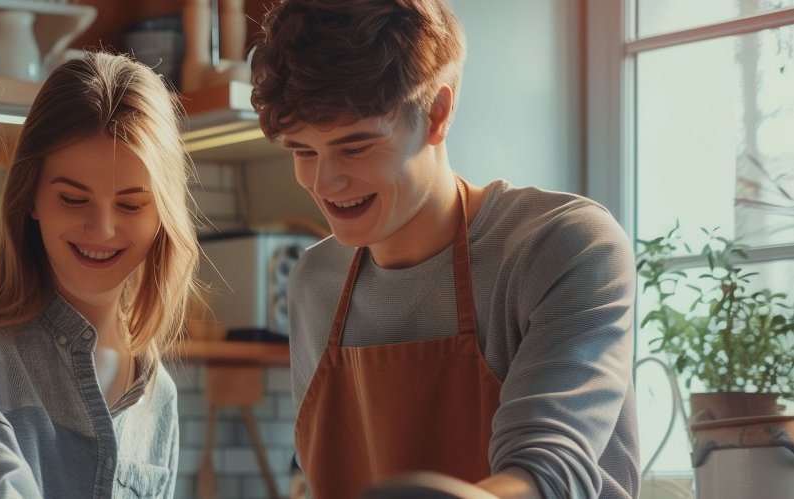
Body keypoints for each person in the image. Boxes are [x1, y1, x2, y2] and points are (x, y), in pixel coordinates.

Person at [249, 1, 640, 498]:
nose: (324, 182)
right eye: (303, 152)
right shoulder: (316, 281)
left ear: (437, 112)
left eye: (355, 147)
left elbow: (549, 469)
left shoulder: (561, 245)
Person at [0, 53, 202, 498]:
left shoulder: (158, 398)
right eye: (73, 199)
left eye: (130, 204)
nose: (102, 229)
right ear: (31, 199)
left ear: (162, 215)